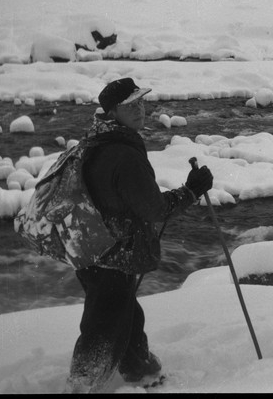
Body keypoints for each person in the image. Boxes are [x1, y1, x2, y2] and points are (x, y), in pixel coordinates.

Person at [65, 77, 214, 393]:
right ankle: (81, 385)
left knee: (124, 312)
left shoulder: (95, 141)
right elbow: (154, 209)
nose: (140, 109)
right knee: (103, 327)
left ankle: (139, 369)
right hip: (113, 252)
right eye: (130, 105)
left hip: (90, 247)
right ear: (112, 112)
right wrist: (191, 191)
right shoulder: (123, 153)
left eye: (141, 102)